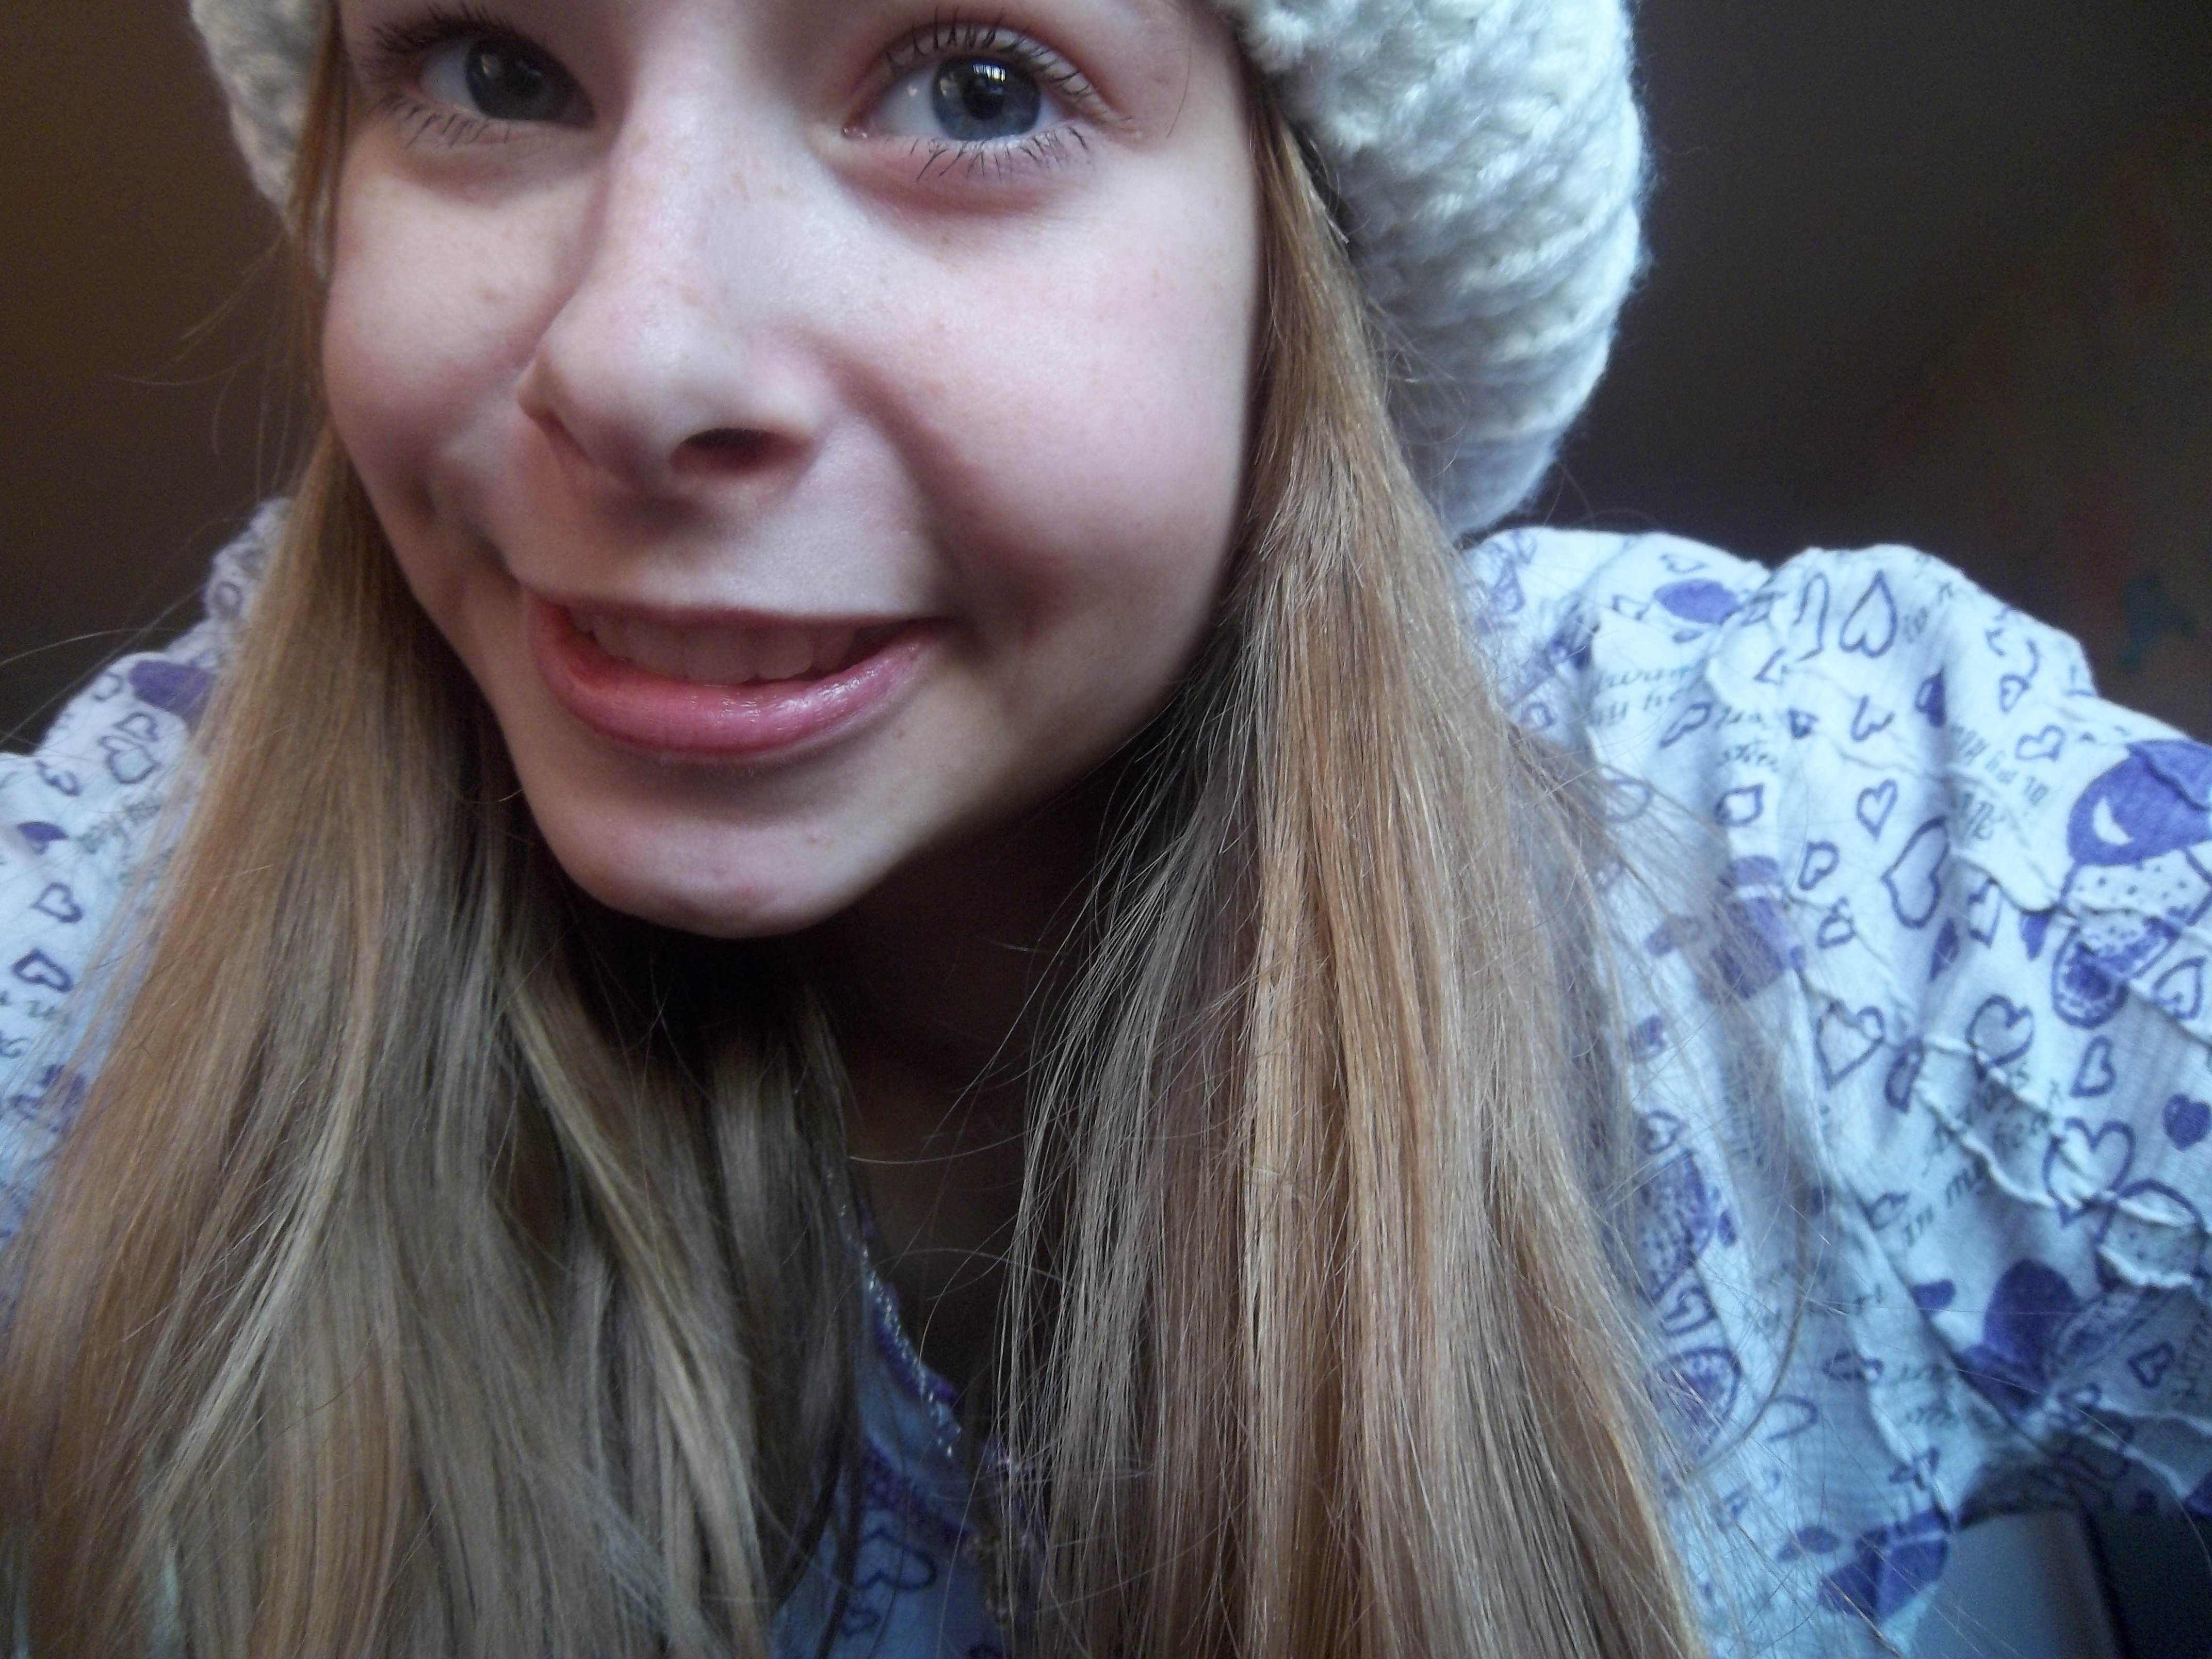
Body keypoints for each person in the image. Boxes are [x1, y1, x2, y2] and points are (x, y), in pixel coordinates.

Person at [1, 0, 2206, 1654]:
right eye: (494, 70)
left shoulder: (1797, 849)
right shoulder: (119, 935)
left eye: (977, 88)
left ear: (1303, 284)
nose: (634, 361)